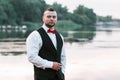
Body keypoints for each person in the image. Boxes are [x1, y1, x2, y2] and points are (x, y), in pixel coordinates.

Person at [26, 8, 66, 80]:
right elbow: (32, 57)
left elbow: (63, 57)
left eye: (54, 17)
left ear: (56, 19)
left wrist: (62, 72)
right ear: (43, 18)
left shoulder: (60, 36)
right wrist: (51, 65)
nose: (51, 19)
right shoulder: (35, 35)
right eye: (48, 16)